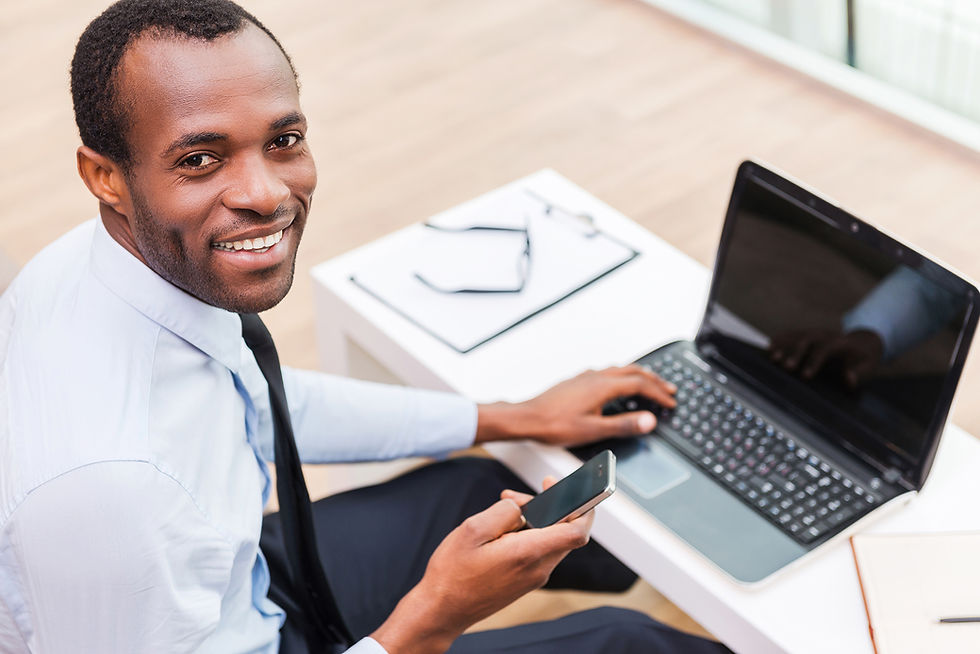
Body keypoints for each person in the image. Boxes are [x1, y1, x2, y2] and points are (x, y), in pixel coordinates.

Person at [0, 1, 732, 652]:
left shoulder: (110, 263)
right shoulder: (111, 498)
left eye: (282, 140)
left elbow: (256, 405)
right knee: (631, 643)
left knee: (490, 483)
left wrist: (515, 415)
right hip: (202, 624)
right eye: (200, 159)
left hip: (234, 580)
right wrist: (431, 619)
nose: (266, 194)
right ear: (105, 175)